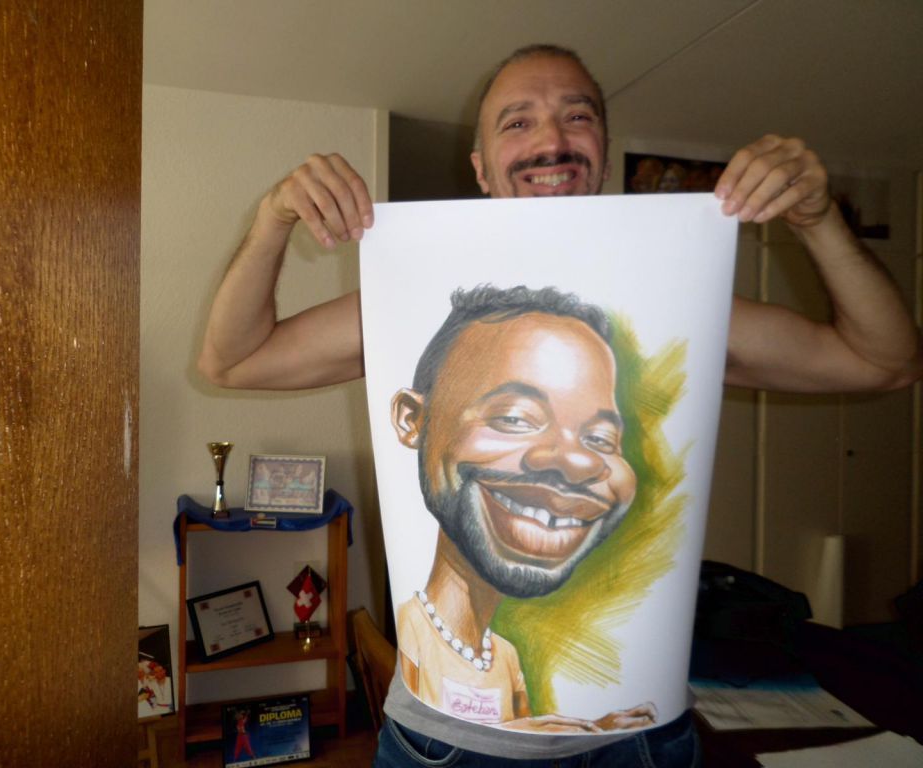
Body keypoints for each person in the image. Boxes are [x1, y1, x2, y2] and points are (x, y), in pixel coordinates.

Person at [198, 43, 923, 767]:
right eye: (517, 122)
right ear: (481, 167)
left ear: (602, 151)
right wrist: (272, 220)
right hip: (441, 746)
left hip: (645, 742)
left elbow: (886, 361)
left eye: (577, 117)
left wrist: (820, 219)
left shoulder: (678, 297)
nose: (551, 140)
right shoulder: (417, 297)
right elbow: (232, 359)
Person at [391, 284, 656, 733]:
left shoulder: (504, 656)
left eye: (600, 439)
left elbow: (523, 736)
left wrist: (595, 727)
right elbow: (432, 737)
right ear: (412, 419)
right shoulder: (411, 632)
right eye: (513, 417)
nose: (576, 463)